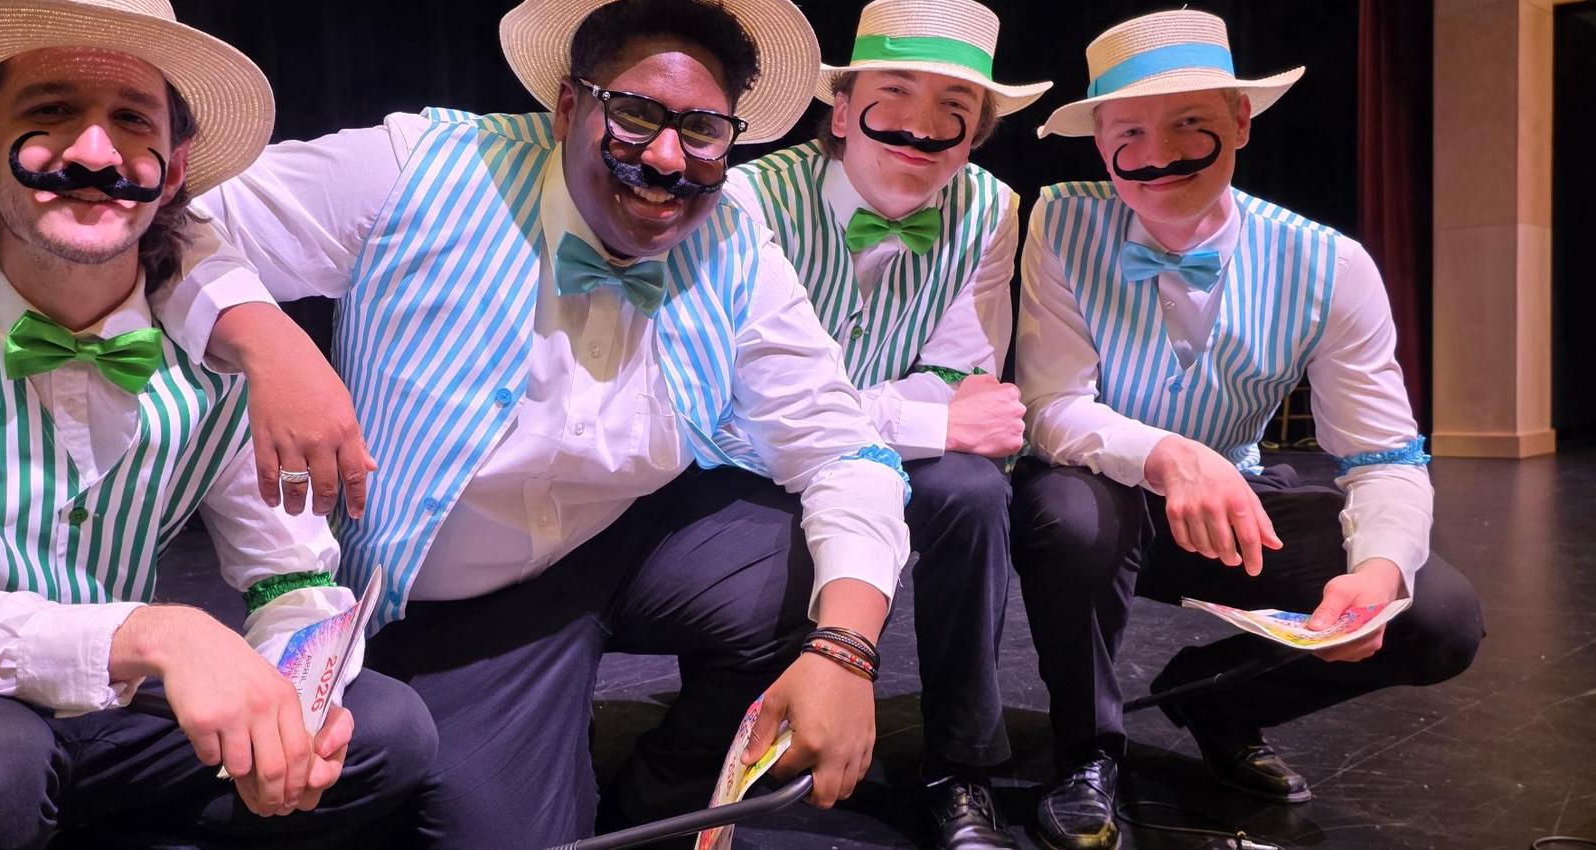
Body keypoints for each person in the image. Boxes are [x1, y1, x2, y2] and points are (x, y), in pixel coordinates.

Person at [153, 0, 912, 846]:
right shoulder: (422, 168)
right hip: (451, 608)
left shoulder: (734, 233)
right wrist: (269, 342)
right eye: (634, 114)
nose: (667, 157)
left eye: (702, 129)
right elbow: (167, 216)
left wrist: (845, 651)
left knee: (817, 559)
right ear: (567, 107)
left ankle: (667, 801)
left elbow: (844, 446)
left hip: (623, 543)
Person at [0, 2, 435, 847]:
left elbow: (288, 578)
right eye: (49, 113)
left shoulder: (218, 346)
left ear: (174, 167)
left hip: (109, 713)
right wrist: (157, 630)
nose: (94, 153)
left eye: (130, 121)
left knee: (382, 731)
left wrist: (298, 699)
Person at [1010, 10, 1484, 850]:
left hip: (1229, 509)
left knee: (1436, 615)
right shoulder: (1059, 222)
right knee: (1070, 512)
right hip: (1095, 495)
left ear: (1240, 122)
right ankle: (1086, 751)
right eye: (1129, 133)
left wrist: (1376, 570)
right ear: (1100, 142)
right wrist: (1167, 454)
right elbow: (1051, 407)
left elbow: (1384, 454)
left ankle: (1216, 701)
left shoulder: (1330, 264)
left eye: (1191, 124)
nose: (1156, 156)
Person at [721, 1, 1046, 847]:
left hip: (889, 459)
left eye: (956, 109)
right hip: (754, 460)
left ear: (976, 132)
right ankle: (737, 742)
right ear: (840, 107)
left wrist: (929, 418)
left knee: (973, 491)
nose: (924, 127)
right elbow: (726, 402)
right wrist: (915, 417)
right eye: (896, 91)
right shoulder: (747, 199)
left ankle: (961, 769)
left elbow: (961, 380)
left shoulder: (991, 209)